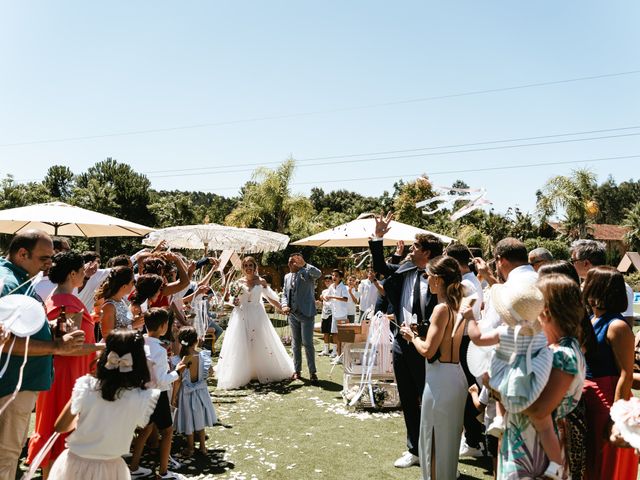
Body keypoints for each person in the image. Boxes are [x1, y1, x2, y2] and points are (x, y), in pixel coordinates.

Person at [0, 230, 87, 478]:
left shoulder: (19, 278)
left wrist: (49, 330)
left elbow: (20, 326)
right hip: (12, 386)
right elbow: (4, 341)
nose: (50, 264)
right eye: (44, 258)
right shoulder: (9, 283)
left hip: (18, 383)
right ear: (22, 254)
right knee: (6, 456)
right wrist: (57, 347)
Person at [492, 273, 587, 478]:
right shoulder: (551, 348)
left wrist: (498, 388)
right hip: (524, 443)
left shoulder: (564, 354)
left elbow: (538, 409)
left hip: (537, 454)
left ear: (545, 311)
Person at [467, 280, 562, 478]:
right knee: (545, 428)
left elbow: (477, 338)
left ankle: (499, 419)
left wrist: (470, 318)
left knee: (498, 382)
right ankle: (555, 463)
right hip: (533, 380)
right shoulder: (541, 334)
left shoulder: (504, 332)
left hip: (508, 381)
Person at [369, 212, 442, 468]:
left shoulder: (441, 277)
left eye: (415, 246)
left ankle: (435, 449)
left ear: (428, 253)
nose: (410, 250)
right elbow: (380, 268)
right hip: (402, 344)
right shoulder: (406, 269)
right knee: (408, 399)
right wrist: (378, 237)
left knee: (431, 400)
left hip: (430, 347)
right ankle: (414, 449)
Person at [48, 330, 160, 480]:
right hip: (112, 469)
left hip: (74, 465)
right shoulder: (143, 398)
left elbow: (61, 427)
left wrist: (85, 419)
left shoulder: (86, 385)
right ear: (140, 359)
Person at [27, 251, 100, 478]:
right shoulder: (67, 302)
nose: (84, 277)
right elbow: (71, 346)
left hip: (63, 371)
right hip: (67, 374)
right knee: (58, 426)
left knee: (52, 424)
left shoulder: (57, 297)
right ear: (72, 274)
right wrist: (104, 347)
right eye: (81, 272)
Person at [399, 256, 468, 479]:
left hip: (440, 379)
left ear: (438, 279)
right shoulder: (459, 305)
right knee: (449, 440)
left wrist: (411, 337)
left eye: (427, 275)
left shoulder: (441, 308)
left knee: (433, 439)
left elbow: (428, 350)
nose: (426, 279)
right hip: (456, 375)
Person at [581, 266, 638, 479]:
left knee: (603, 465)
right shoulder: (592, 319)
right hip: (588, 398)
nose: (583, 285)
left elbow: (625, 373)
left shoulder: (617, 326)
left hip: (606, 401)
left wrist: (616, 419)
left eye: (587, 282)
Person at [217, 256, 295, 389]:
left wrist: (281, 307)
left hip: (257, 315)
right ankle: (242, 372)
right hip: (241, 315)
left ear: (255, 267)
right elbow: (231, 300)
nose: (248, 268)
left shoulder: (261, 281)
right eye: (246, 265)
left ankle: (262, 369)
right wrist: (234, 302)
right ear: (242, 268)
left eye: (250, 266)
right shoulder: (237, 283)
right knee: (242, 342)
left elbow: (270, 298)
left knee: (259, 341)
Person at [129, 308, 188, 479]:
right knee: (168, 431)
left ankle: (133, 467)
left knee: (146, 430)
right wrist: (177, 371)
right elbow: (162, 379)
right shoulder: (160, 350)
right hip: (158, 395)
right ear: (164, 326)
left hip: (142, 393)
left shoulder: (138, 343)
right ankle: (163, 471)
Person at [172, 326, 217, 457]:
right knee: (199, 419)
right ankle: (203, 447)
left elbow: (178, 380)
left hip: (186, 393)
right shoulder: (203, 356)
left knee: (188, 420)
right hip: (201, 392)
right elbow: (210, 372)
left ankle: (190, 448)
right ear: (196, 341)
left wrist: (174, 397)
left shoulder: (178, 360)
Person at [571, 239, 635, 326]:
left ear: (586, 263)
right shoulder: (582, 285)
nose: (572, 265)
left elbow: (627, 324)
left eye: (573, 261)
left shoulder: (616, 285)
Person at [281, 253, 322, 384]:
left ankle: (313, 372)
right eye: (289, 262)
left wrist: (304, 264)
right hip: (293, 314)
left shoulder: (307, 272)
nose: (290, 264)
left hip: (307, 314)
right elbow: (284, 294)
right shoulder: (287, 277)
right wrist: (284, 305)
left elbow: (319, 274)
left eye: (293, 262)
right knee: (295, 344)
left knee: (308, 343)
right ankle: (296, 370)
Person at [97, 266, 136, 336]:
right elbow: (107, 335)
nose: (134, 285)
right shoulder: (109, 306)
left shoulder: (122, 301)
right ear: (124, 286)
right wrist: (132, 325)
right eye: (133, 282)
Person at [326, 269, 348, 361]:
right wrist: (325, 297)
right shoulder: (331, 286)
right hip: (334, 315)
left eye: (336, 276)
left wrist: (332, 297)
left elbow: (345, 299)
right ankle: (338, 355)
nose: (334, 277)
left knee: (342, 336)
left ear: (340, 278)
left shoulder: (343, 287)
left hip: (342, 315)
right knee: (335, 334)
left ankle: (343, 356)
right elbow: (327, 296)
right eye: (333, 275)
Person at [318, 275, 334, 356]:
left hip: (333, 314)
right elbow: (324, 303)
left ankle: (335, 351)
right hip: (324, 314)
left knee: (334, 333)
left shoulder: (335, 290)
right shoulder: (323, 291)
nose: (327, 282)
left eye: (329, 280)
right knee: (325, 332)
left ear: (332, 281)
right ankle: (326, 350)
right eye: (326, 281)